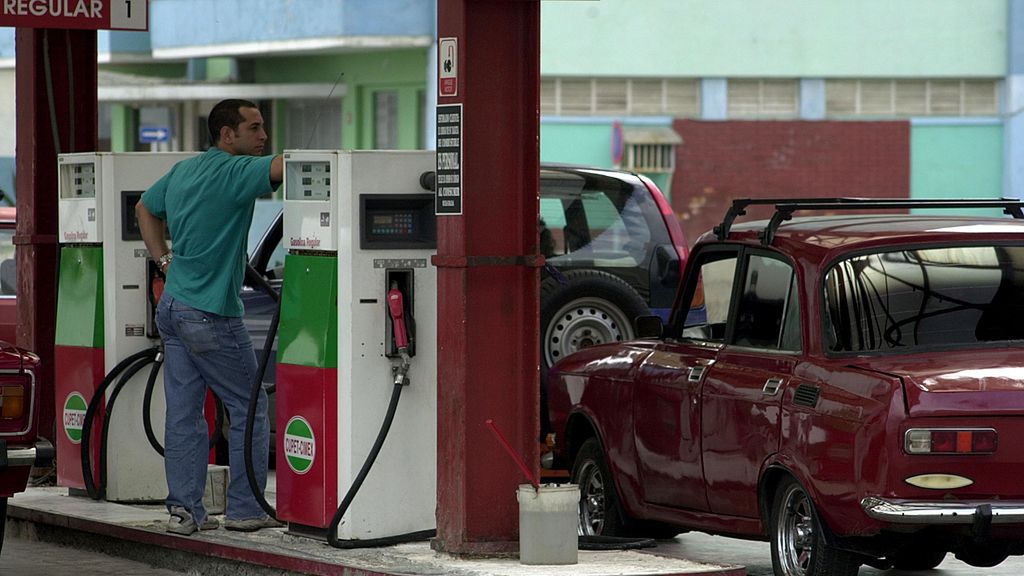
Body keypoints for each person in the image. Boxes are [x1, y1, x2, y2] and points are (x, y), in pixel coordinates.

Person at [136, 99, 284, 535]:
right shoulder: (234, 171)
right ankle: (244, 510)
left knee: (183, 414)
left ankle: (185, 512)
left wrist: (163, 261)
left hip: (174, 307)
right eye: (254, 128)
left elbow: (145, 207)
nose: (263, 137)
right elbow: (282, 167)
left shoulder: (184, 171)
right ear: (226, 135)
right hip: (212, 313)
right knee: (249, 407)